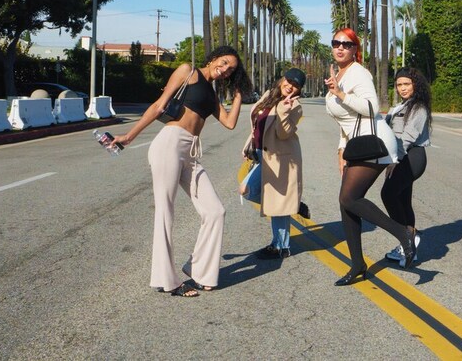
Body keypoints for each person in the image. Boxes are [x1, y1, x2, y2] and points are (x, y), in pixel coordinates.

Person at [115, 46, 251, 298]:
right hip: (170, 143)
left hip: (191, 151)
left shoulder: (212, 95)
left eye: (231, 70)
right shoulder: (188, 71)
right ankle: (167, 280)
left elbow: (230, 123)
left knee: (215, 211)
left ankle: (199, 270)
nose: (224, 70)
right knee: (165, 212)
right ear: (213, 58)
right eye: (223, 63)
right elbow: (159, 106)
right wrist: (129, 136)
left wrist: (239, 94)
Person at [324, 28, 417, 286]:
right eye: (336, 43)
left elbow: (371, 107)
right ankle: (357, 265)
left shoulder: (359, 73)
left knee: (349, 198)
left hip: (374, 142)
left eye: (346, 44)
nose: (340, 47)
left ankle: (404, 234)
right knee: (346, 203)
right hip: (357, 145)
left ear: (355, 49)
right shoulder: (338, 75)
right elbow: (345, 122)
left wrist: (340, 93)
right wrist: (341, 150)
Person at [240, 67, 309, 260]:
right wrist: (249, 146)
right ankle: (292, 206)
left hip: (280, 158)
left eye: (295, 85)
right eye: (289, 81)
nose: (290, 86)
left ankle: (281, 247)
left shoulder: (295, 106)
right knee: (256, 194)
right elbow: (257, 123)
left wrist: (283, 110)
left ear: (299, 90)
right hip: (262, 153)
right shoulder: (269, 95)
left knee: (248, 190)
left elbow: (283, 133)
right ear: (282, 79)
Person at [381, 68, 431, 264]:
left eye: (407, 84)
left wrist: (395, 159)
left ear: (415, 84)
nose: (402, 88)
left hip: (411, 156)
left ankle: (408, 237)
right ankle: (408, 248)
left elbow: (408, 137)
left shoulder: (419, 108)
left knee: (388, 194)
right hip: (402, 155)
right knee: (403, 201)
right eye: (399, 84)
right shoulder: (400, 106)